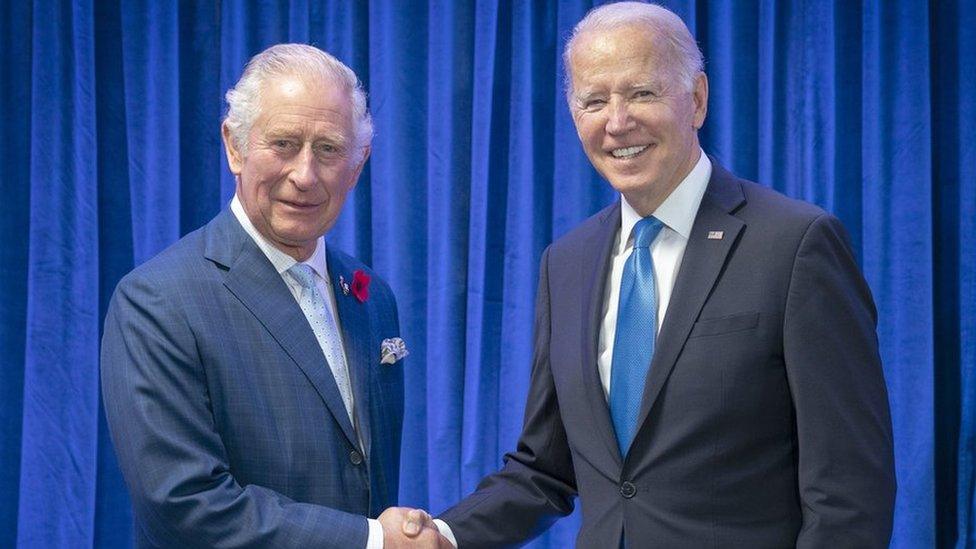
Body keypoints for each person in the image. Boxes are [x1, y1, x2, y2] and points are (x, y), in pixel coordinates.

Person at [407, 2, 896, 547]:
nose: (617, 122)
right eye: (594, 101)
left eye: (641, 92)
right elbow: (545, 469)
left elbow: (848, 490)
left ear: (698, 99)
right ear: (575, 117)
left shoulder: (795, 244)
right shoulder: (565, 263)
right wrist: (445, 534)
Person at [101, 44, 448, 548]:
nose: (304, 175)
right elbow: (183, 505)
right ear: (234, 147)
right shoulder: (157, 302)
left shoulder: (373, 299)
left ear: (358, 163)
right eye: (283, 143)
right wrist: (372, 541)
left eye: (329, 148)